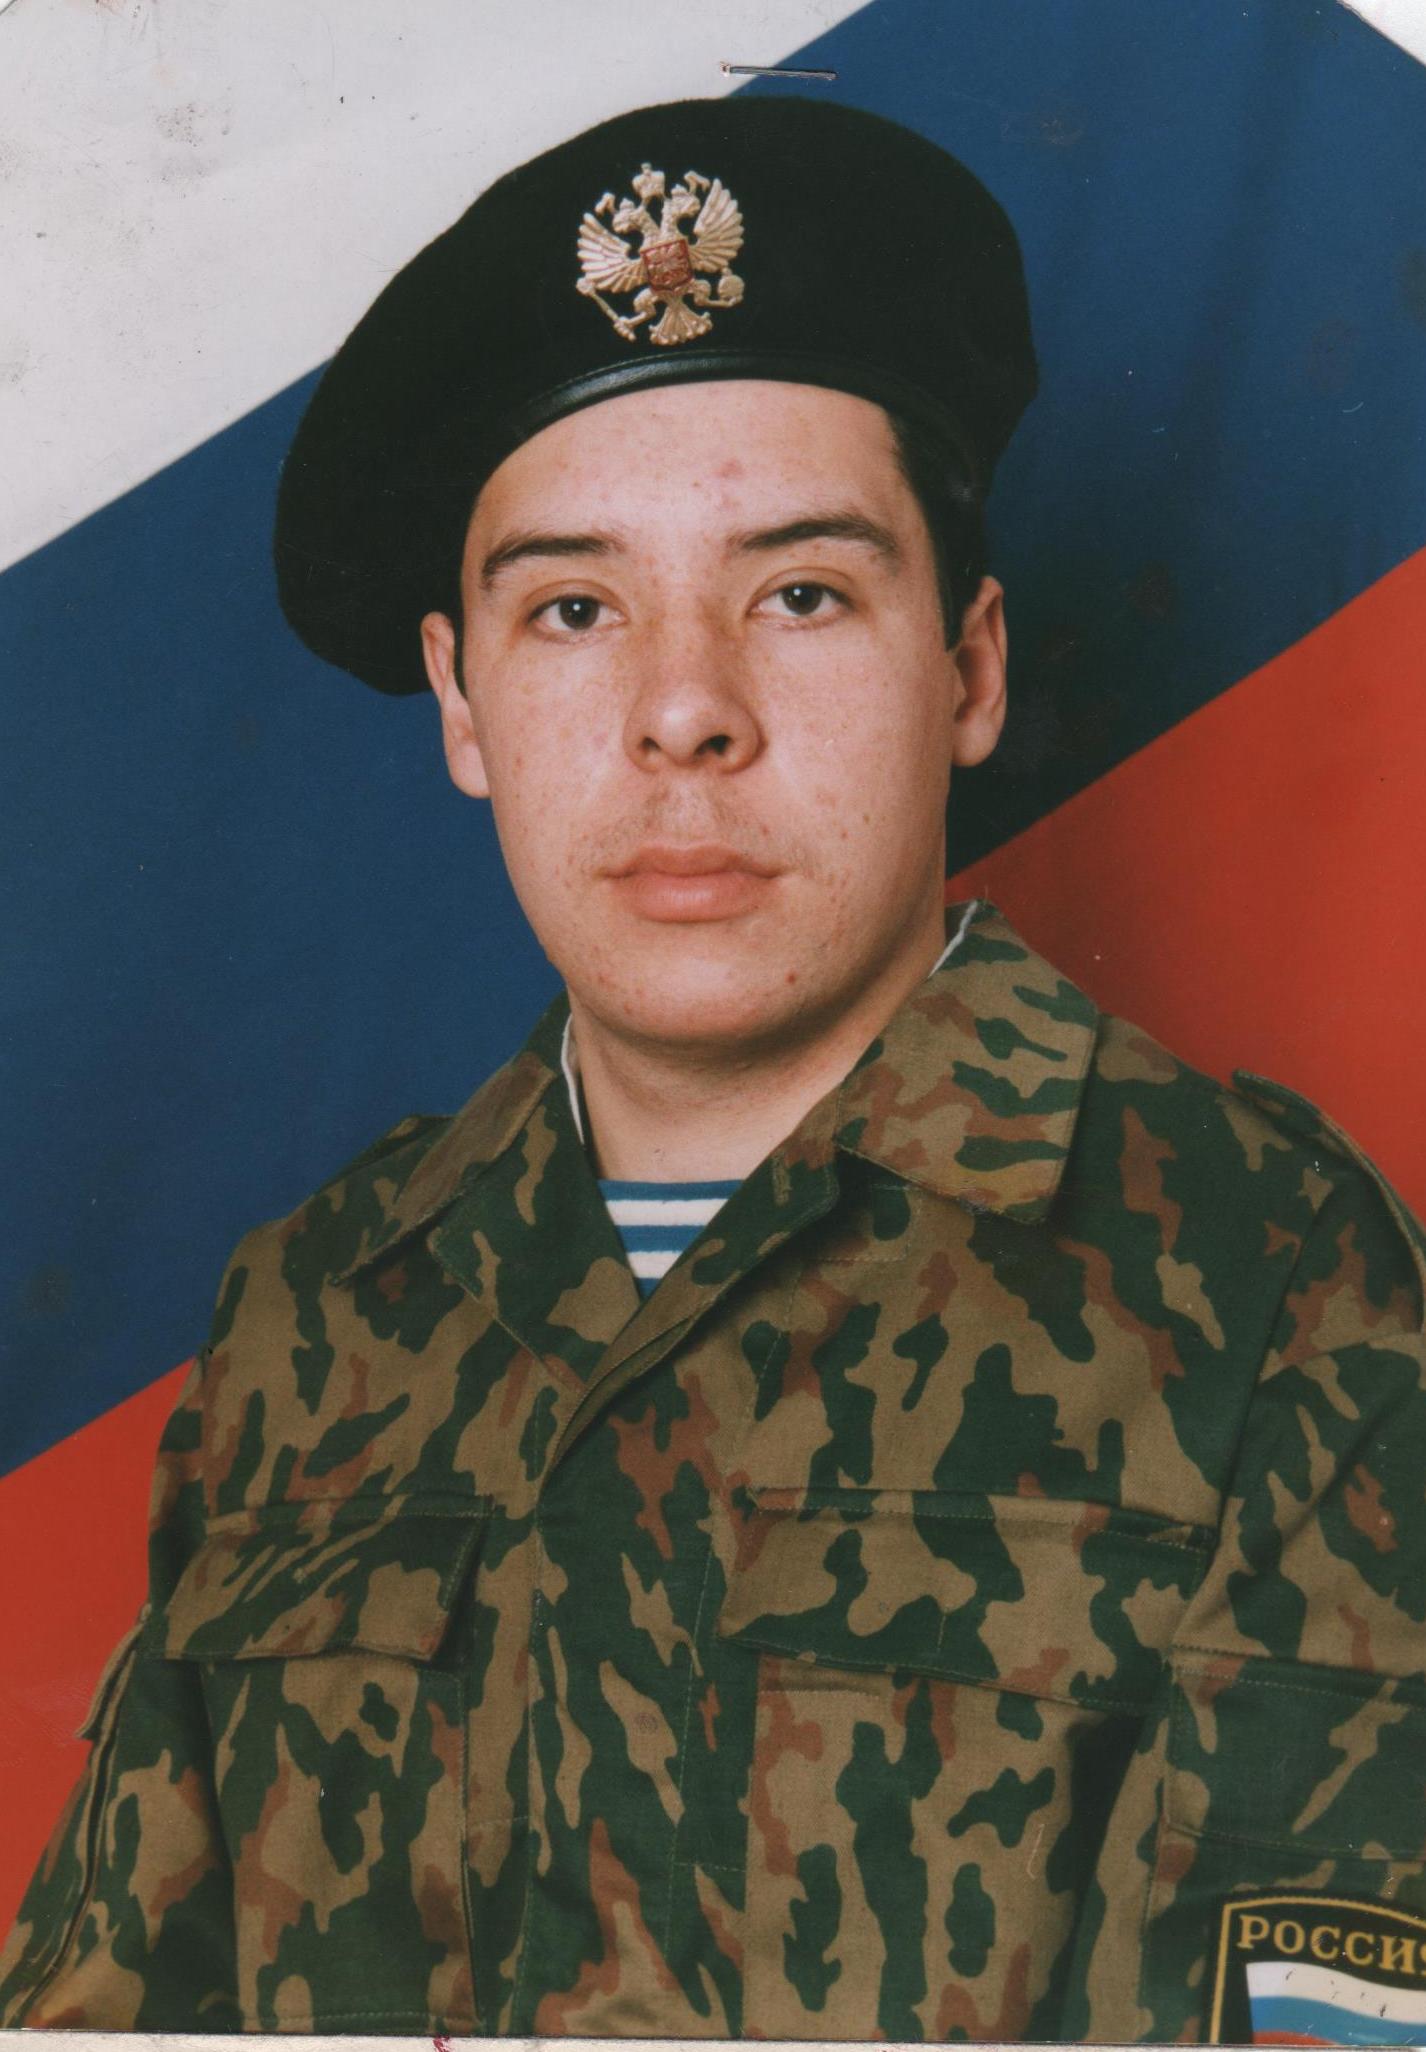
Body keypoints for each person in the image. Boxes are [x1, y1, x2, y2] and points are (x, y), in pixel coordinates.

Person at [3, 93, 1425, 2046]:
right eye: (574, 609)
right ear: (462, 701)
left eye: (800, 593)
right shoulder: (313, 1322)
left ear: (968, 669)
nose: (683, 710)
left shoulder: (1270, 1288)